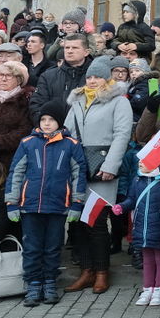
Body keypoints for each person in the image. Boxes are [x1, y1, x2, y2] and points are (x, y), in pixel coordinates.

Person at [5, 99, 88, 307]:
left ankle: (50, 283)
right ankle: (33, 284)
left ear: (59, 122)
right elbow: (16, 173)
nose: (47, 123)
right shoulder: (27, 143)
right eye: (43, 119)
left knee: (52, 247)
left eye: (51, 119)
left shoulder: (71, 145)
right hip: (30, 205)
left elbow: (79, 174)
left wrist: (77, 203)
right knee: (32, 247)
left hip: (59, 206)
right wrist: (12, 202)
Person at [64, 57, 132, 295]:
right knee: (80, 224)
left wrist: (111, 165)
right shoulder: (78, 100)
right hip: (79, 168)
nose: (92, 81)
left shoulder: (118, 101)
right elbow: (67, 133)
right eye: (90, 77)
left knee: (98, 223)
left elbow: (122, 134)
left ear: (108, 79)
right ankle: (86, 270)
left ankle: (102, 271)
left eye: (98, 77)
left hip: (103, 169)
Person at [113, 151, 160, 307]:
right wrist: (122, 206)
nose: (140, 163)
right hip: (141, 227)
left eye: (145, 161)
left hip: (159, 227)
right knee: (147, 259)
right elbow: (132, 199)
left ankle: (159, 289)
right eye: (140, 161)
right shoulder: (137, 180)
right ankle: (147, 289)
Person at [30, 33, 92, 124]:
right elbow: (36, 105)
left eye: (75, 48)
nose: (69, 51)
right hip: (53, 132)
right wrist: (47, 125)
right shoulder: (48, 76)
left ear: (86, 52)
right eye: (67, 48)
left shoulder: (96, 77)